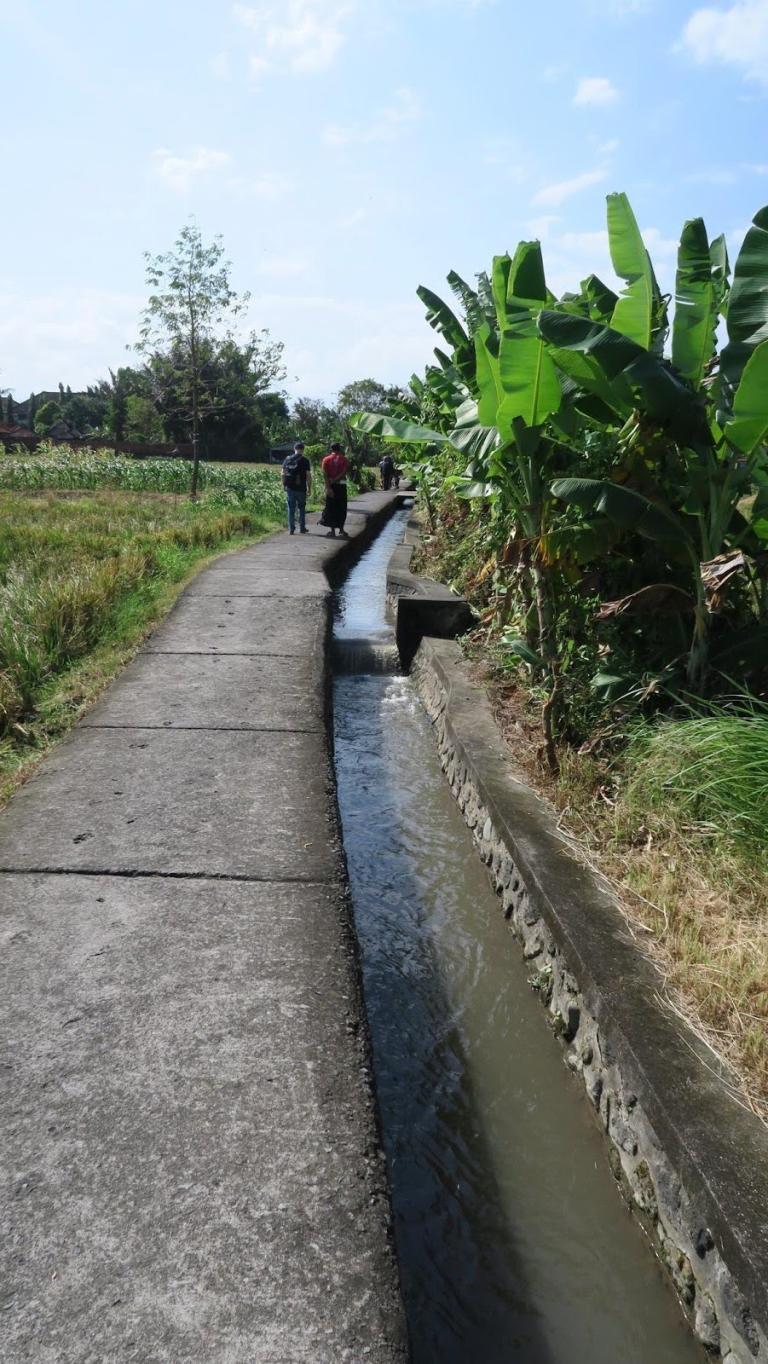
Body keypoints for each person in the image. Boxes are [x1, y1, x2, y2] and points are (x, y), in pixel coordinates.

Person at [319, 442, 350, 538]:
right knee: (341, 507)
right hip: (341, 486)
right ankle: (341, 529)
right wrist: (336, 479)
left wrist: (328, 486)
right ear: (339, 449)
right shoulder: (344, 459)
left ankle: (332, 530)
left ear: (331, 449)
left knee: (331, 507)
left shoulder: (326, 459)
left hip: (330, 486)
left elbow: (324, 474)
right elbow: (344, 472)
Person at [282, 441, 312, 535]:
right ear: (303, 450)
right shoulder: (305, 460)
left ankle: (291, 529)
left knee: (291, 508)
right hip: (301, 488)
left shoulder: (287, 459)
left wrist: (284, 485)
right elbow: (308, 475)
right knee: (302, 508)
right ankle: (302, 528)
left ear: (294, 449)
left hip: (290, 488)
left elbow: (283, 473)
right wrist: (309, 488)